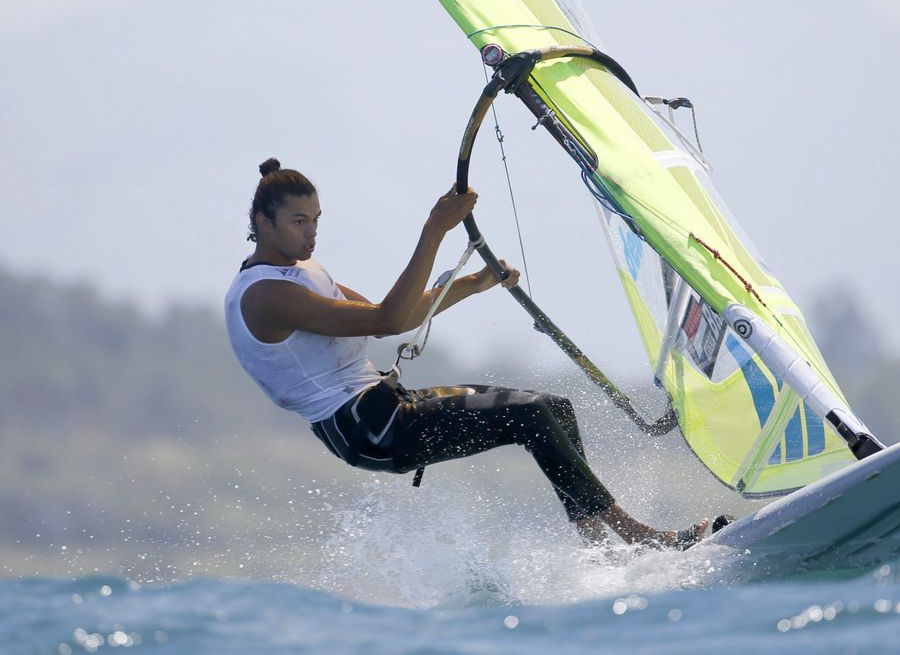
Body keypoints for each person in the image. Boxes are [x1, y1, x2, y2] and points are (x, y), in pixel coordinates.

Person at [224, 158, 709, 549]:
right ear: (263, 224)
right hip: (368, 429)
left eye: (315, 220)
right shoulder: (266, 295)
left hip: (386, 408)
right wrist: (435, 229)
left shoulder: (301, 271)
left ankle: (600, 550)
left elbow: (401, 314)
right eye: (298, 222)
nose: (311, 233)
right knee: (533, 415)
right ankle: (642, 538)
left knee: (554, 410)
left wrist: (474, 284)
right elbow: (387, 321)